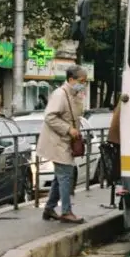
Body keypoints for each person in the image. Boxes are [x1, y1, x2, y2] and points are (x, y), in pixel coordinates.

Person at [39, 65, 88, 223]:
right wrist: (68, 129)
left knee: (60, 176)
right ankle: (66, 211)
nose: (83, 84)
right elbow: (50, 117)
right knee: (66, 174)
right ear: (71, 79)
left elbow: (77, 115)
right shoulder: (60, 94)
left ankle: (49, 208)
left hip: (65, 141)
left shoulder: (75, 94)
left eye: (85, 81)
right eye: (81, 81)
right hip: (56, 142)